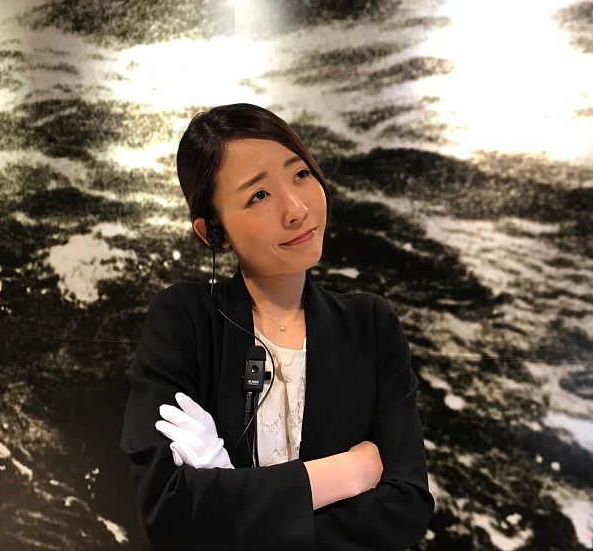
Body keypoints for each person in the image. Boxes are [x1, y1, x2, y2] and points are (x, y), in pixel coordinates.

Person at [120, 103, 434, 550]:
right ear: (213, 232)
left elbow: (405, 508)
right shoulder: (185, 320)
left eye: (300, 174)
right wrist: (348, 472)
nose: (296, 209)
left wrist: (231, 501)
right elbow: (167, 511)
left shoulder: (370, 323)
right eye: (259, 196)